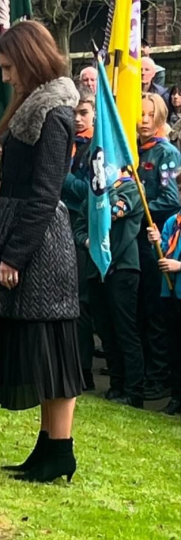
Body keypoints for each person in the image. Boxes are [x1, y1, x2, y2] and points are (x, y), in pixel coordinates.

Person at [0, 21, 82, 483]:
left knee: (52, 352)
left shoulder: (53, 113)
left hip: (39, 244)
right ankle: (48, 449)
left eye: (8, 66)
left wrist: (15, 255)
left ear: (29, 59)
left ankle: (60, 451)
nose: (4, 77)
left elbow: (44, 194)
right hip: (27, 235)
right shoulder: (34, 107)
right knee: (40, 350)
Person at [75, 171, 145, 408]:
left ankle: (134, 390)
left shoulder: (132, 188)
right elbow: (79, 226)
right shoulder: (93, 195)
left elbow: (115, 212)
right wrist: (87, 241)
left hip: (122, 267)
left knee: (125, 330)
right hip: (97, 270)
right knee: (106, 330)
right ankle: (117, 384)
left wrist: (105, 193)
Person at [136, 93, 181, 401]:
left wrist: (139, 206)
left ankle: (160, 376)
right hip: (134, 241)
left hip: (157, 240)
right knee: (139, 309)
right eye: (139, 114)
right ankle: (147, 370)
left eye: (150, 115)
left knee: (155, 312)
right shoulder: (131, 152)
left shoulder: (165, 153)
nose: (143, 121)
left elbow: (171, 198)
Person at [61, 88, 97, 391]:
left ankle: (83, 368)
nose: (77, 119)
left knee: (81, 304)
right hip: (58, 223)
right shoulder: (65, 144)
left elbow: (90, 192)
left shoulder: (96, 149)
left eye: (83, 113)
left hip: (81, 227)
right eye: (73, 113)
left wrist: (60, 176)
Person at [147, 215, 181, 416]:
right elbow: (161, 255)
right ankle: (176, 396)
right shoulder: (172, 222)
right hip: (169, 292)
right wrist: (156, 244)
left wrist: (179, 265)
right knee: (174, 348)